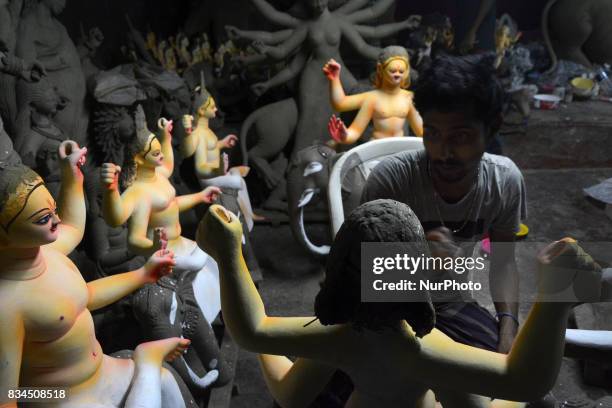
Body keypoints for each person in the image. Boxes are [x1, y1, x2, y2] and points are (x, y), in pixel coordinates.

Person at [196, 200, 603, 407]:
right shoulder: (426, 349)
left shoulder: (335, 338)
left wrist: (228, 253)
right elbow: (526, 379)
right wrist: (556, 296)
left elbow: (253, 332)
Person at [0, 140, 192, 408]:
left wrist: (71, 176)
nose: (56, 222)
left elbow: (85, 289)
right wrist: (53, 397)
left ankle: (148, 365)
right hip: (67, 398)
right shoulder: (7, 306)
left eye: (53, 210)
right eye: (43, 219)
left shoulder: (49, 252)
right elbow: (9, 397)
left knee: (166, 382)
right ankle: (146, 359)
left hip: (104, 371)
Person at [100, 105, 232, 390]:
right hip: (168, 258)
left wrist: (198, 195)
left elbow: (172, 202)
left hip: (186, 248)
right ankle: (189, 365)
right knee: (180, 308)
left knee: (211, 280)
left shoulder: (159, 174)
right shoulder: (138, 192)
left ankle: (213, 340)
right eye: (154, 151)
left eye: (159, 149)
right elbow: (129, 234)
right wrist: (151, 248)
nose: (160, 155)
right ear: (138, 157)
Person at [324, 46, 424, 145]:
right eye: (392, 71)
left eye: (401, 71)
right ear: (380, 69)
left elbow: (420, 131)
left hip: (399, 151)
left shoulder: (409, 98)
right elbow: (353, 126)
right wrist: (345, 135)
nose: (397, 74)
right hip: (377, 150)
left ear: (407, 72)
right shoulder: (372, 98)